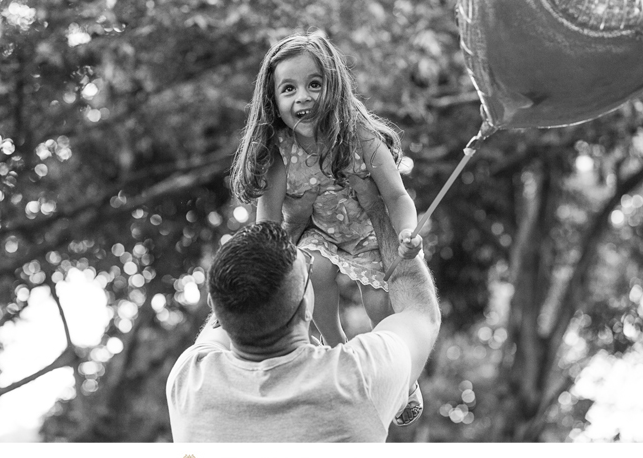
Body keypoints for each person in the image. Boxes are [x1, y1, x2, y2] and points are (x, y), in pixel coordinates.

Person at [229, 31, 425, 422]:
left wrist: (405, 233)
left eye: (314, 84)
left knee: (380, 305)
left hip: (371, 234)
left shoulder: (360, 135)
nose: (303, 97)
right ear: (274, 101)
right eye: (289, 89)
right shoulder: (280, 153)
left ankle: (404, 377)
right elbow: (267, 227)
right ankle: (333, 345)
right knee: (312, 269)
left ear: (333, 86)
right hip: (321, 235)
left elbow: (397, 197)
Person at [166, 174, 441, 442]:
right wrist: (379, 209)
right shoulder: (357, 378)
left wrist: (294, 225)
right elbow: (420, 312)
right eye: (309, 271)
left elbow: (231, 303)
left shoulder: (190, 383)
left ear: (214, 307)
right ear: (306, 308)